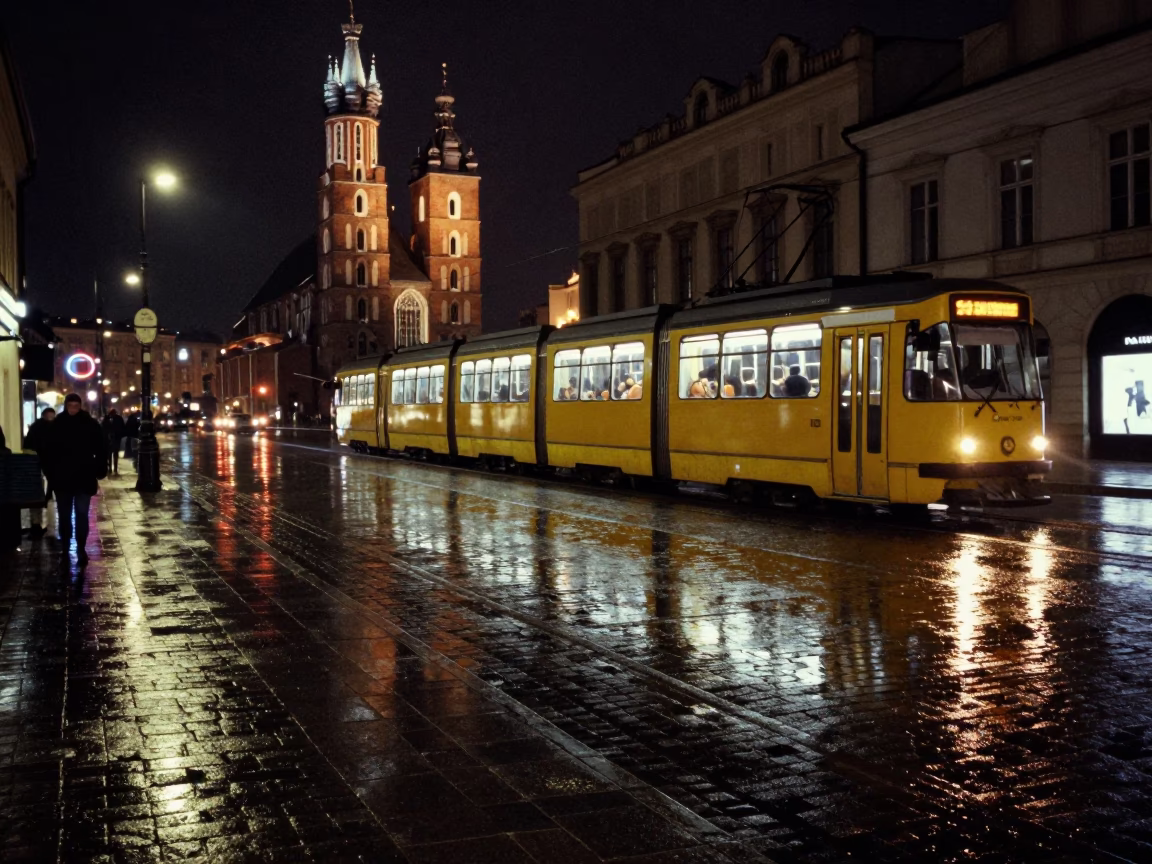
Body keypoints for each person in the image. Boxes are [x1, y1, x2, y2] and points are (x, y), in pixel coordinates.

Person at [44, 393, 107, 566]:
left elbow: (100, 448)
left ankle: (80, 548)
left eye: (75, 406)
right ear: (66, 406)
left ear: (79, 406)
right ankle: (66, 547)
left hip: (81, 477)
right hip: (65, 478)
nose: (73, 409)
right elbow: (48, 452)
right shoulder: (58, 424)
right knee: (65, 515)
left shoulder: (88, 424)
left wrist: (98, 469)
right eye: (70, 406)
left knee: (81, 515)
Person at [23, 407, 56, 540]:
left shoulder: (35, 428)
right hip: (46, 466)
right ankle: (44, 525)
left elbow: (28, 446)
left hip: (37, 466)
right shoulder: (53, 428)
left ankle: (37, 525)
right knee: (46, 497)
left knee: (40, 496)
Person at [102, 408, 125, 475]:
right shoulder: (118, 418)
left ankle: (111, 468)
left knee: (110, 454)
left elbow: (103, 427)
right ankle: (114, 468)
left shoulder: (107, 418)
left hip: (111, 439)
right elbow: (122, 428)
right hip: (115, 438)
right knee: (114, 454)